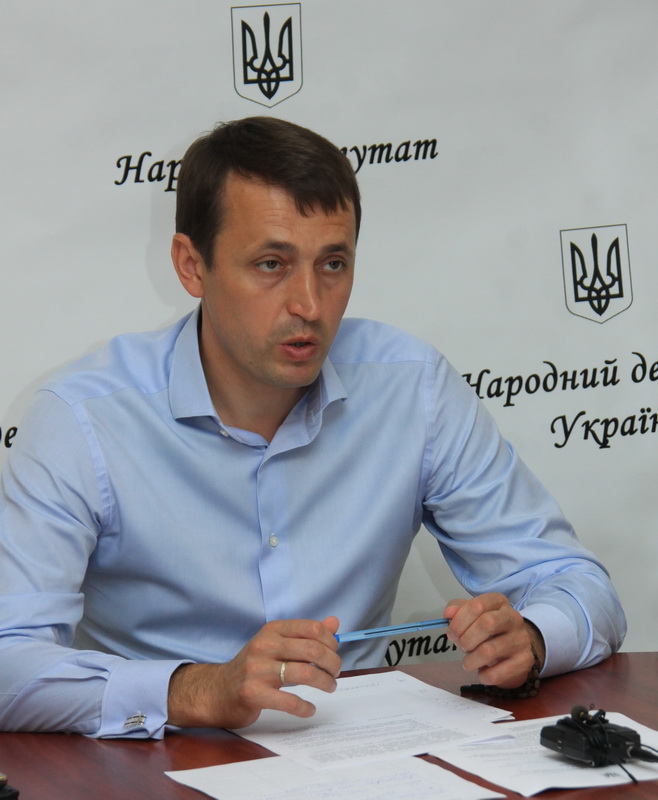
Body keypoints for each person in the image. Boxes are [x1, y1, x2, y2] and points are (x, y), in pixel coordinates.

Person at [0, 116, 625, 738]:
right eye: (272, 263)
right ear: (191, 265)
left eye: (332, 264)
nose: (309, 304)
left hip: (365, 756)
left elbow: (577, 585)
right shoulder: (83, 418)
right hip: (163, 757)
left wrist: (531, 637)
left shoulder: (413, 389)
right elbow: (8, 660)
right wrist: (198, 690)